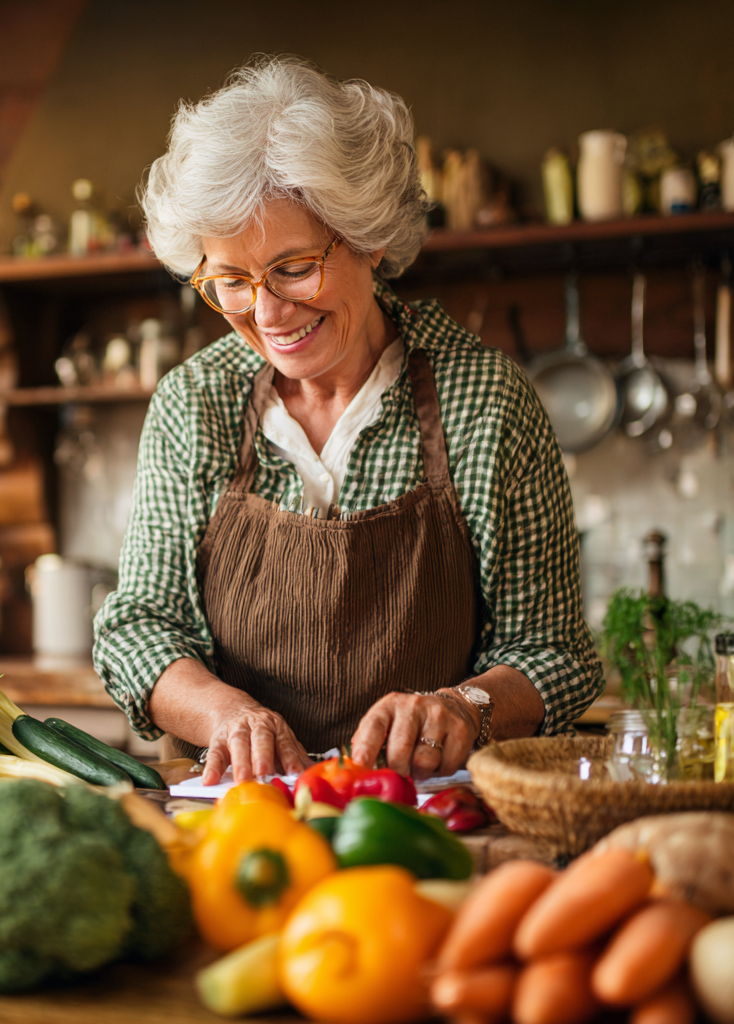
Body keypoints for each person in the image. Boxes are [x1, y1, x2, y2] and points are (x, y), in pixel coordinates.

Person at [94, 56, 602, 786]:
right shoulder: (193, 405)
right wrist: (225, 714)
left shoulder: (486, 401)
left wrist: (465, 707)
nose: (266, 313)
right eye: (231, 281)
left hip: (429, 821)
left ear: (370, 238)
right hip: (240, 822)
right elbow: (139, 625)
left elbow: (553, 652)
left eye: (293, 268)